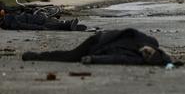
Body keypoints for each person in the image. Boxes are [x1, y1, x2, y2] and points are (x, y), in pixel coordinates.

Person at [21, 28, 174, 66]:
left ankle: (37, 56)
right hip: (99, 40)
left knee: (71, 57)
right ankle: (37, 56)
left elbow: (115, 59)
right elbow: (130, 31)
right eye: (149, 52)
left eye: (146, 56)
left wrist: (93, 59)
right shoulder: (148, 40)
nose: (145, 53)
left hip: (98, 49)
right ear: (154, 49)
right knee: (70, 56)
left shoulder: (137, 59)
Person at [0, 9, 85, 31]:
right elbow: (23, 26)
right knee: (50, 25)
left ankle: (68, 26)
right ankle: (68, 25)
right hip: (37, 22)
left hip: (35, 19)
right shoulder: (8, 21)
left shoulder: (6, 20)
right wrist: (39, 28)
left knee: (52, 25)